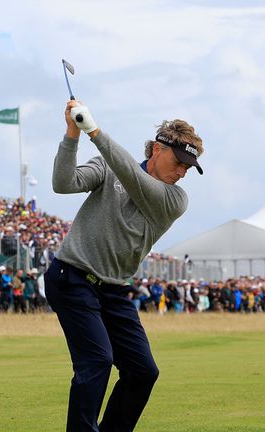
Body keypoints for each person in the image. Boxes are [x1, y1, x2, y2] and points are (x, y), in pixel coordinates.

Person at [44, 100, 204, 431]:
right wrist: (73, 134)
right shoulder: (108, 166)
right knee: (97, 360)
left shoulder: (175, 200)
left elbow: (133, 177)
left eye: (189, 168)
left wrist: (95, 132)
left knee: (143, 371)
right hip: (71, 277)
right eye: (179, 162)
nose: (182, 172)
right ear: (157, 150)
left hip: (114, 291)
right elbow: (63, 183)